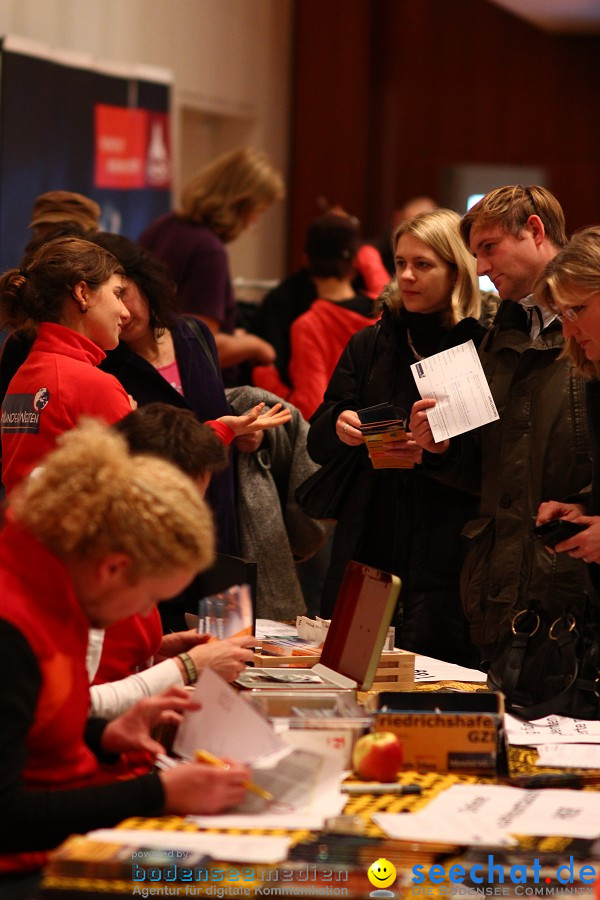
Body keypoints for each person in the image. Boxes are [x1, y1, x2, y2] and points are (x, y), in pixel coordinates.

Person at [0, 421, 249, 894]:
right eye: (145, 597)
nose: (140, 615)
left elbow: (30, 726)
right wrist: (158, 794)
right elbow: (7, 814)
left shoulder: (54, 592)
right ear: (114, 567)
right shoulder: (13, 625)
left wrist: (105, 734)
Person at [88, 232, 290, 685]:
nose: (123, 311)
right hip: (154, 542)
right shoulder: (104, 364)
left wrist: (245, 440)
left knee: (228, 671)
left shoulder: (194, 334)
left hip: (219, 531)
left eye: (126, 293)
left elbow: (212, 421)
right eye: (112, 298)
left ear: (145, 282)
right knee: (164, 672)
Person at [409, 186, 592, 666]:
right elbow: (483, 476)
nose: (481, 268)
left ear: (535, 231)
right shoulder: (491, 340)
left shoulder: (590, 341)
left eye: (490, 248)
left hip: (578, 591)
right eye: (475, 254)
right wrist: (442, 449)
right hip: (497, 594)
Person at [307, 208, 483, 663]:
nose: (406, 276)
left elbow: (490, 468)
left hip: (446, 551)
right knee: (352, 679)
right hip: (369, 539)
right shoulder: (371, 343)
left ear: (456, 270)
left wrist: (438, 453)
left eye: (422, 265)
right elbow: (318, 439)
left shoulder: (478, 347)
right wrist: (339, 424)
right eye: (400, 263)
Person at [88, 404, 255, 719]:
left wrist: (155, 653)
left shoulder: (123, 544)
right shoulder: (94, 567)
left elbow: (112, 662)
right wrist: (188, 667)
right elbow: (81, 708)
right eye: (189, 499)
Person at [0, 236, 133, 495]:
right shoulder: (92, 385)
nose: (125, 312)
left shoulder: (24, 376)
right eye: (117, 294)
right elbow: (147, 486)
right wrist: (218, 435)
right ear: (82, 293)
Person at [139, 147, 283, 382]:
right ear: (241, 204)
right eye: (257, 211)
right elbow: (200, 344)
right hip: (192, 388)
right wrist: (254, 346)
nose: (254, 222)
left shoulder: (163, 226)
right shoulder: (209, 252)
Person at [253, 213, 379, 420]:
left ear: (306, 260)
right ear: (355, 262)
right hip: (378, 433)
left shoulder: (309, 326)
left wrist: (264, 377)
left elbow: (311, 409)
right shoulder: (383, 312)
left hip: (338, 441)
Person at [535, 226, 600, 600]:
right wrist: (583, 507)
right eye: (562, 314)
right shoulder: (594, 378)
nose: (569, 330)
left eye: (577, 309)